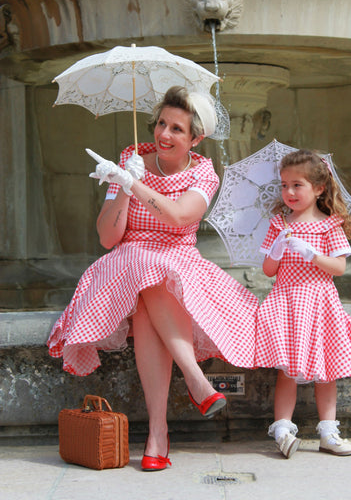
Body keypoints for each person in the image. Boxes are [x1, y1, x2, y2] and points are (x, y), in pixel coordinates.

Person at [47, 86, 259, 471]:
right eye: (161, 123)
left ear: (196, 138)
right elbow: (108, 238)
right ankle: (196, 384)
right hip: (125, 262)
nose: (163, 134)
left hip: (176, 264)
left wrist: (134, 185)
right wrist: (123, 187)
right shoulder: (132, 158)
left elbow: (179, 217)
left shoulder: (203, 173)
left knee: (149, 295)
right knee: (144, 265)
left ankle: (158, 432)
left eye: (177, 129)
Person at [254, 149, 351, 459]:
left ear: (318, 188)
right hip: (287, 300)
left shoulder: (330, 225)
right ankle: (283, 429)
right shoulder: (280, 224)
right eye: (284, 185)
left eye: (297, 185)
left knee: (326, 370)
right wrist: (277, 249)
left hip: (319, 301)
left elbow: (339, 268)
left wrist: (311, 254)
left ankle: (328, 431)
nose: (288, 192)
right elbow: (268, 270)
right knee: (287, 370)